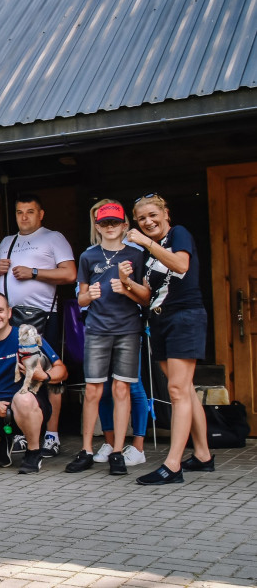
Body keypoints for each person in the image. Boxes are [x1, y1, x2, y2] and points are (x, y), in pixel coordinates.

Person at [128, 194, 213, 485]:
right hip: (159, 320)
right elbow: (147, 296)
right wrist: (127, 284)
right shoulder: (149, 255)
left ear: (166, 214)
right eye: (141, 219)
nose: (148, 222)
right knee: (184, 389)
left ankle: (172, 465)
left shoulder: (179, 234)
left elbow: (181, 266)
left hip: (184, 317)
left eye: (153, 215)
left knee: (176, 390)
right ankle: (203, 455)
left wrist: (145, 241)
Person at [64, 201, 148, 475]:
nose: (110, 227)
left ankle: (117, 452)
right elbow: (81, 297)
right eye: (104, 223)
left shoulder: (136, 255)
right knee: (93, 390)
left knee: (121, 390)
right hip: (98, 329)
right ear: (97, 226)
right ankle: (86, 449)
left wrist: (126, 287)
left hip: (127, 329)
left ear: (125, 225)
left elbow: (145, 298)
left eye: (115, 223)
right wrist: (89, 296)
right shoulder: (88, 256)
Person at [0, 194, 77, 457]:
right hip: (10, 318)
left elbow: (70, 274)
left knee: (48, 373)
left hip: (43, 316)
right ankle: (23, 432)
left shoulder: (54, 238)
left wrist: (35, 272)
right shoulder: (8, 241)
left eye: (30, 212)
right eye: (19, 212)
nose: (24, 217)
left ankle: (51, 434)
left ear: (41, 214)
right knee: (17, 372)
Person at [0, 292, 67, 474]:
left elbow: (61, 369)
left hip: (30, 406)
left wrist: (43, 376)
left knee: (22, 399)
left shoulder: (27, 337)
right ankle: (0, 442)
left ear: (9, 313)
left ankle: (33, 452)